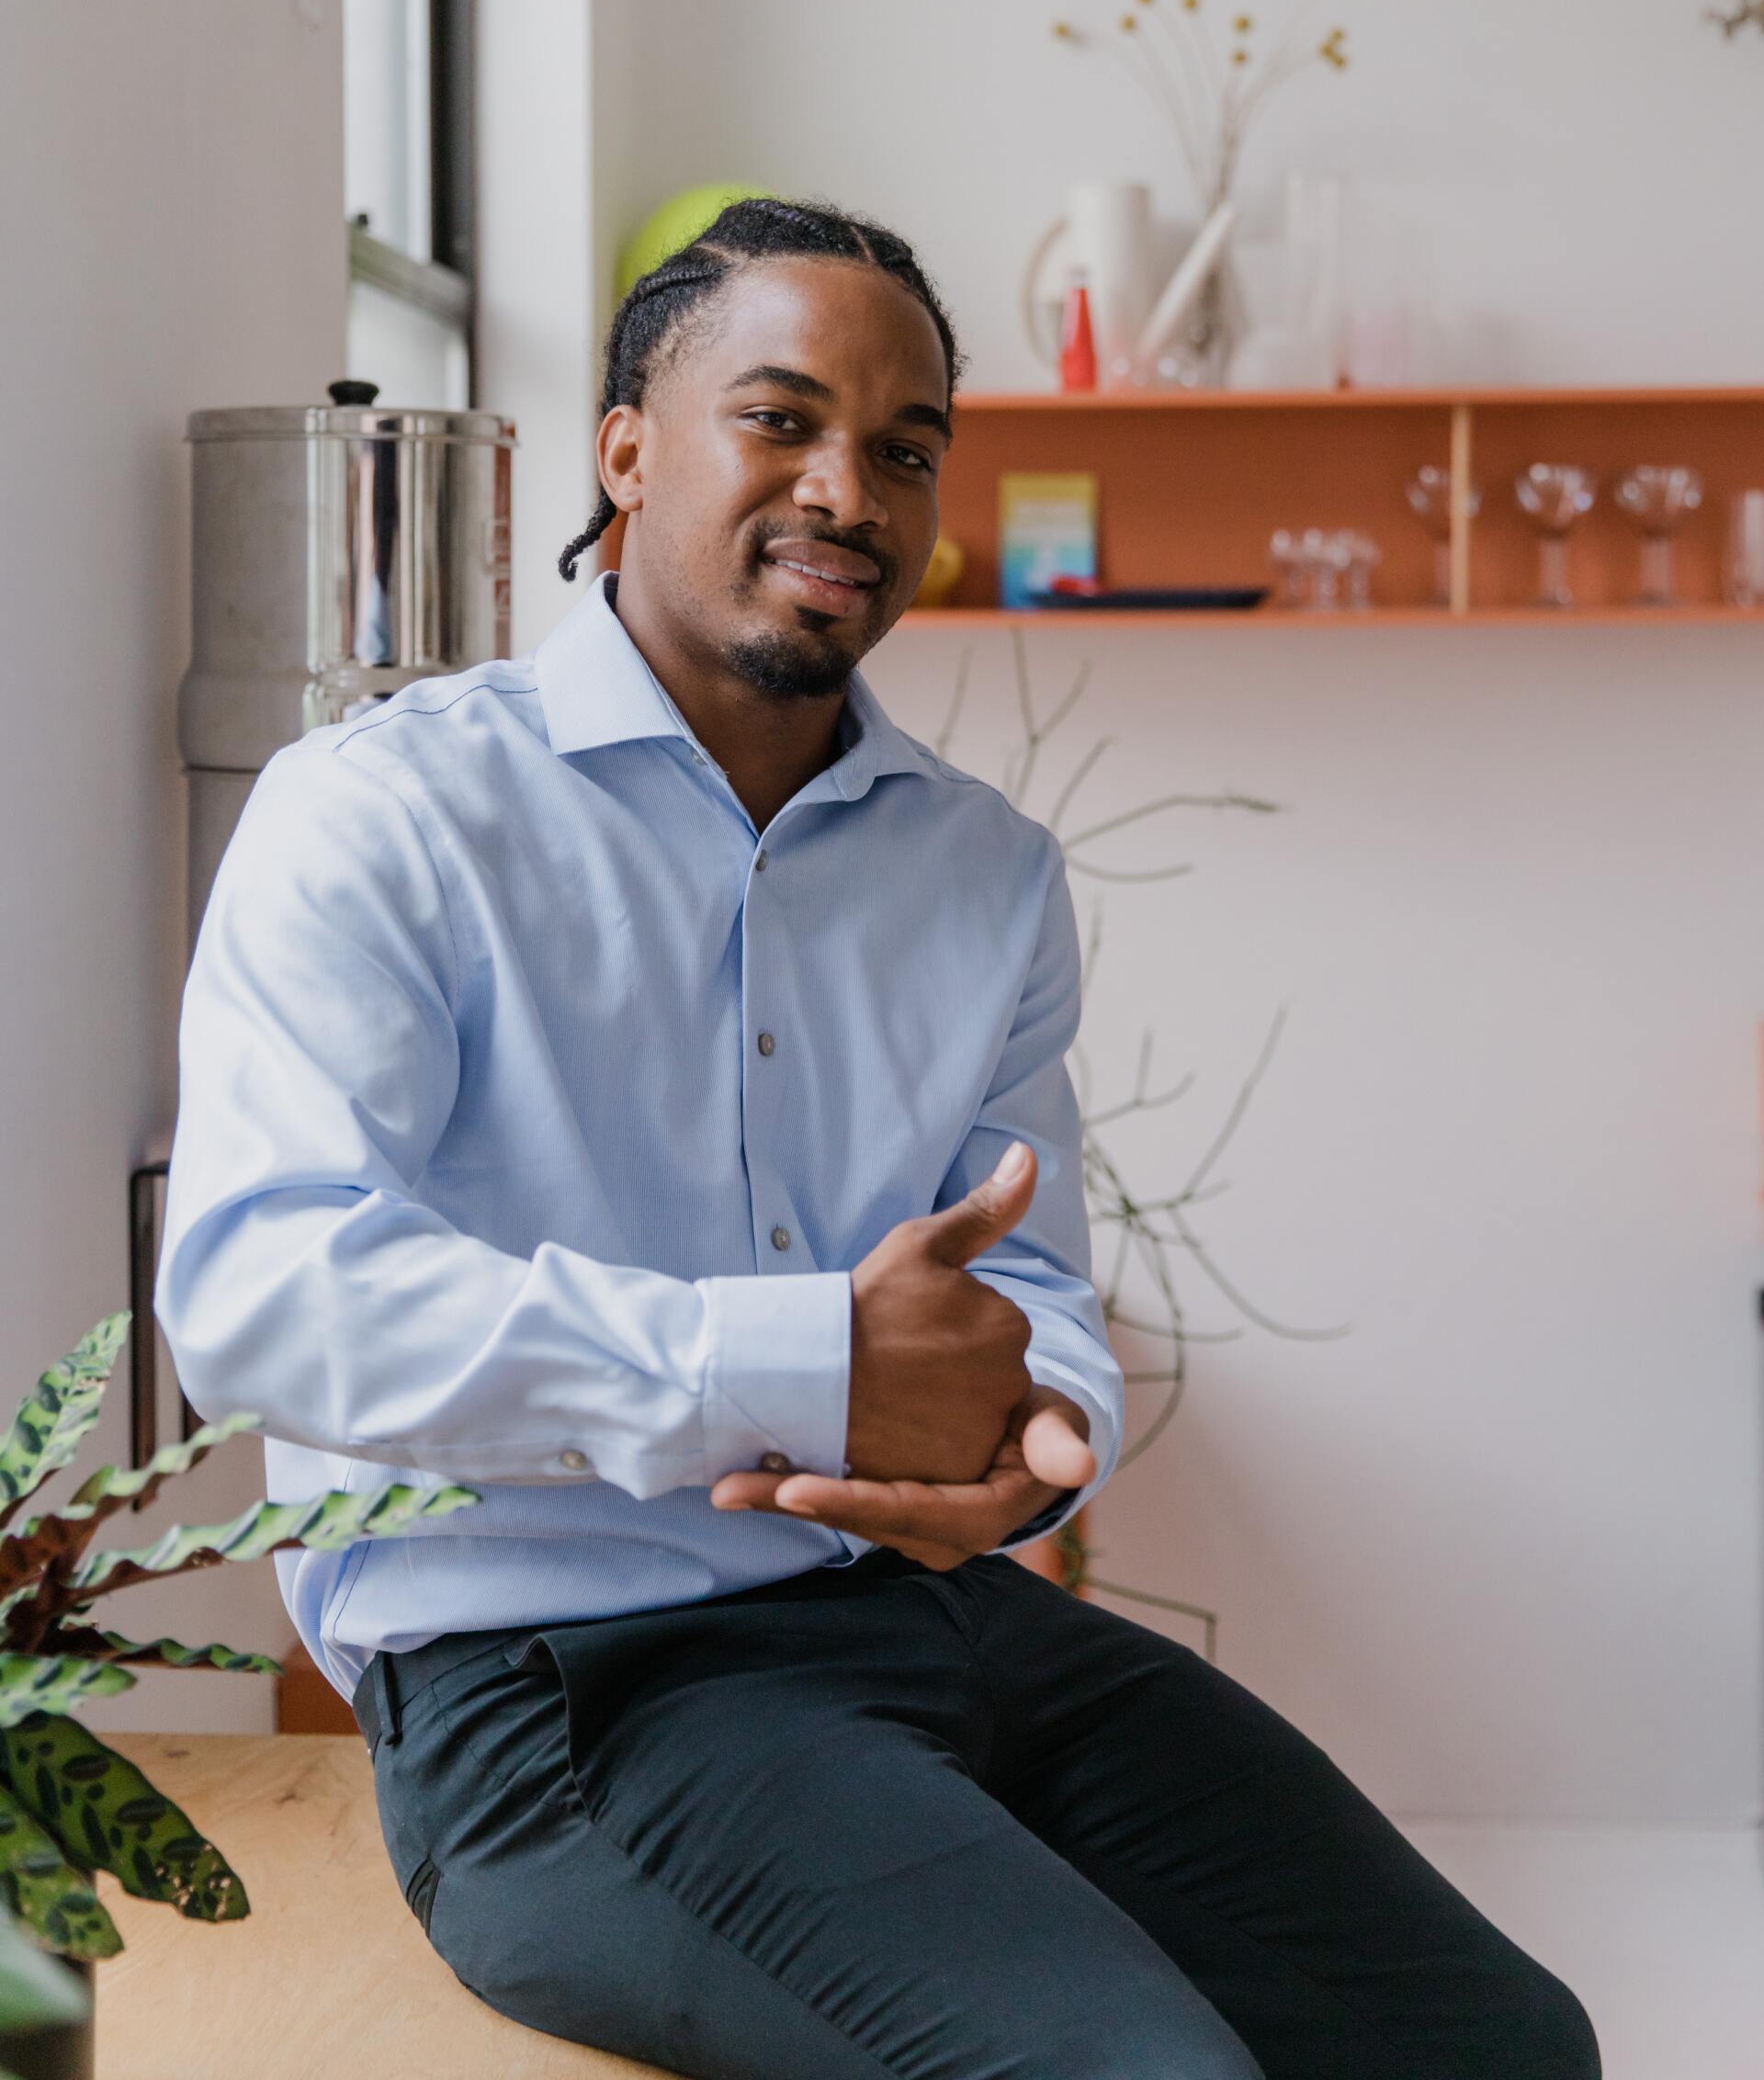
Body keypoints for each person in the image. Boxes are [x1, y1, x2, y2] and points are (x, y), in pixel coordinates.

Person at [160, 198, 1600, 2079]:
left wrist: (1035, 1445)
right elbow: (264, 1299)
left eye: (905, 448)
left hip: (945, 1626)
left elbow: (1028, 1287)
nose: (848, 488)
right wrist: (797, 1363)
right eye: (781, 419)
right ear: (623, 454)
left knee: (1493, 2041)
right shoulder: (384, 818)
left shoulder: (984, 877)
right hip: (567, 1691)